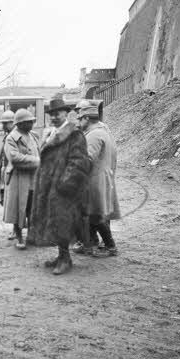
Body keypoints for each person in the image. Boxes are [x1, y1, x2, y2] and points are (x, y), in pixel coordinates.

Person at [27, 99, 93, 275]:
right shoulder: (52, 133)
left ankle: (65, 259)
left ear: (66, 114)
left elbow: (79, 162)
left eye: (57, 114)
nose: (54, 117)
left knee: (63, 223)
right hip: (50, 187)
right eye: (51, 115)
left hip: (64, 189)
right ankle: (61, 256)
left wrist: (64, 184)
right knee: (54, 222)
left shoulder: (74, 134)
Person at [80, 105, 120, 257]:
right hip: (101, 178)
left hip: (94, 180)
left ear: (86, 118)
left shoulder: (93, 135)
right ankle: (91, 243)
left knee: (96, 214)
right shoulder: (103, 132)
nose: (79, 122)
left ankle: (110, 246)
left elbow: (87, 159)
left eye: (80, 119)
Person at [2, 108, 42, 249]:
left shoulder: (34, 136)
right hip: (19, 178)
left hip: (34, 178)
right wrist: (37, 161)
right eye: (28, 122)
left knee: (32, 208)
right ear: (19, 124)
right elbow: (14, 158)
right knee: (19, 208)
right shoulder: (11, 138)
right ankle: (19, 237)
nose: (32, 124)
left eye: (32, 121)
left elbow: (40, 151)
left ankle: (31, 235)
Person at [0, 109, 16, 212]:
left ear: (12, 123)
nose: (3, 127)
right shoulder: (8, 136)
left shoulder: (15, 136)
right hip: (5, 172)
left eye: (5, 124)